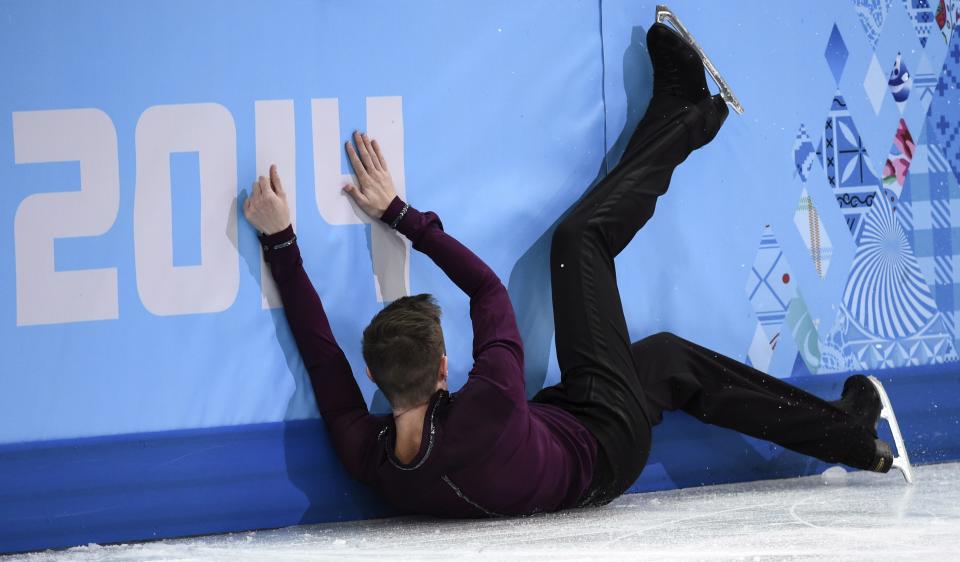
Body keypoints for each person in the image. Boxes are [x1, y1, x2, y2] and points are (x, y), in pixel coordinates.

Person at [242, 22, 904, 518]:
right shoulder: (491, 400)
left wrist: (278, 244)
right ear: (445, 368)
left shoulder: (371, 457)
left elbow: (321, 360)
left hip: (572, 454)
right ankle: (681, 117)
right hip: (599, 433)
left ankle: (850, 434)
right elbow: (485, 289)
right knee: (579, 241)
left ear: (378, 382)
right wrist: (399, 214)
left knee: (672, 363)